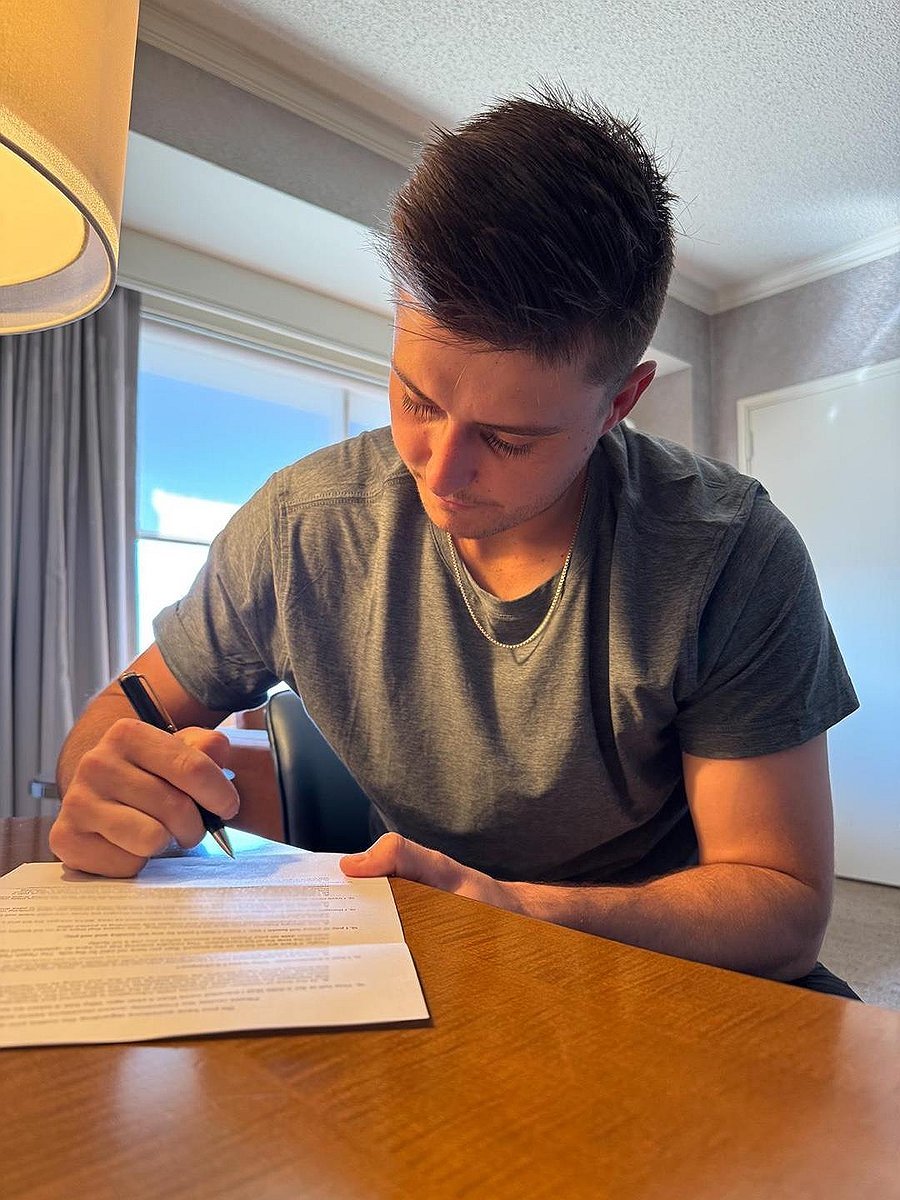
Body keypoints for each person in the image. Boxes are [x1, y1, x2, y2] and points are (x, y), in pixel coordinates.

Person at [50, 84, 860, 998]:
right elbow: (119, 717)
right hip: (414, 967)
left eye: (509, 439)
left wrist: (513, 913)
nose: (439, 471)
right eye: (417, 400)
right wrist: (105, 780)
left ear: (620, 403)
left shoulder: (727, 555)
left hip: (661, 975)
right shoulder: (302, 528)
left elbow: (781, 908)